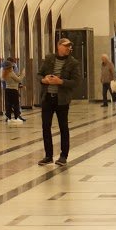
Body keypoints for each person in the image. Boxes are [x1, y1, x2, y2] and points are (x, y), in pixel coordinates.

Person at [37, 37, 81, 166]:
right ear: (59, 46)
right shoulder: (49, 59)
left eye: (70, 46)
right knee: (46, 127)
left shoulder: (73, 63)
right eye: (66, 46)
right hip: (47, 97)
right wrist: (43, 80)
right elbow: (39, 74)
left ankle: (63, 155)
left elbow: (76, 82)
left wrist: (60, 82)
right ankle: (48, 155)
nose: (68, 48)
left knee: (63, 127)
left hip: (62, 99)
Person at [1, 59, 25, 123]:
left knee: (8, 104)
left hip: (7, 90)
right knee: (16, 104)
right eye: (12, 66)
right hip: (14, 90)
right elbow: (19, 80)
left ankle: (8, 117)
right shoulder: (11, 73)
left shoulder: (4, 73)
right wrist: (23, 74)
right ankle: (17, 117)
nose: (12, 67)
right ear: (9, 67)